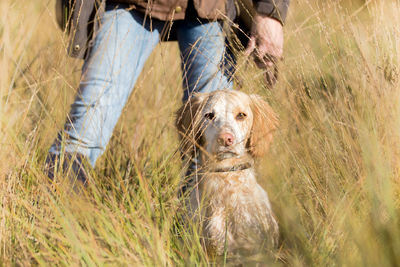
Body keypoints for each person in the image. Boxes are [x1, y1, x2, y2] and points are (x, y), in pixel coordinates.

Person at [46, 0, 290, 183]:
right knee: (83, 132)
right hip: (131, 4)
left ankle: (199, 242)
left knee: (218, 150)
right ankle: (52, 230)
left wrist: (271, 11)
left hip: (208, 8)